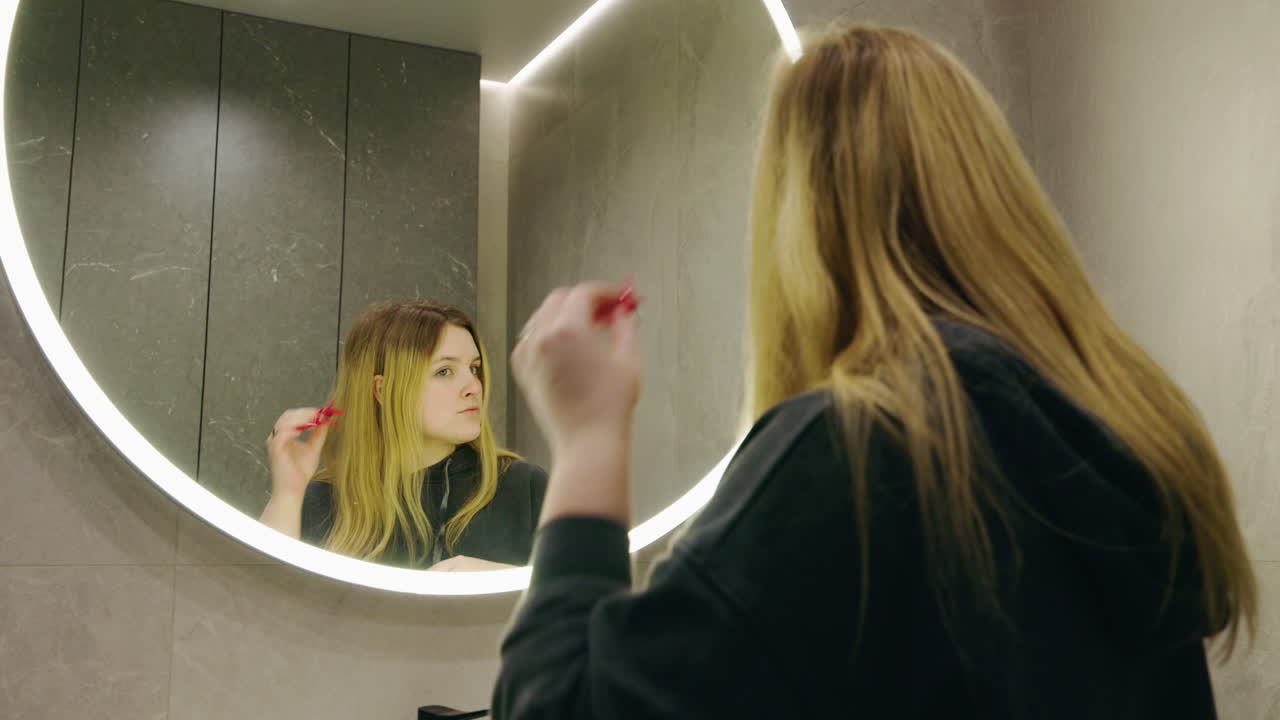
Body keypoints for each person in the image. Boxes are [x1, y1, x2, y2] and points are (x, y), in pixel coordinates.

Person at [491, 23, 1258, 719]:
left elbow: (559, 707)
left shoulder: (868, 451)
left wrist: (591, 436)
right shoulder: (1127, 440)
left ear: (799, 224)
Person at [259, 300, 547, 571]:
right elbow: (262, 610)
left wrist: (503, 583)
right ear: (382, 390)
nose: (473, 386)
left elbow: (581, 604)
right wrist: (288, 494)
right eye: (445, 371)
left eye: (473, 368)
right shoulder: (321, 503)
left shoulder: (525, 489)